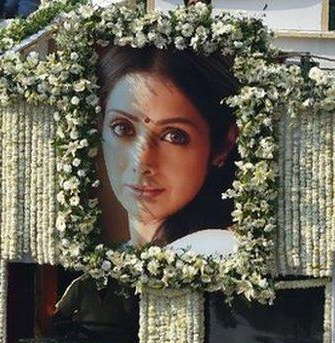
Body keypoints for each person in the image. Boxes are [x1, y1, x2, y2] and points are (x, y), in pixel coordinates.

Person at [95, 46, 240, 255]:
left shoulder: (218, 251)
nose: (141, 162)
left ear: (223, 145)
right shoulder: (125, 255)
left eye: (174, 136)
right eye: (123, 128)